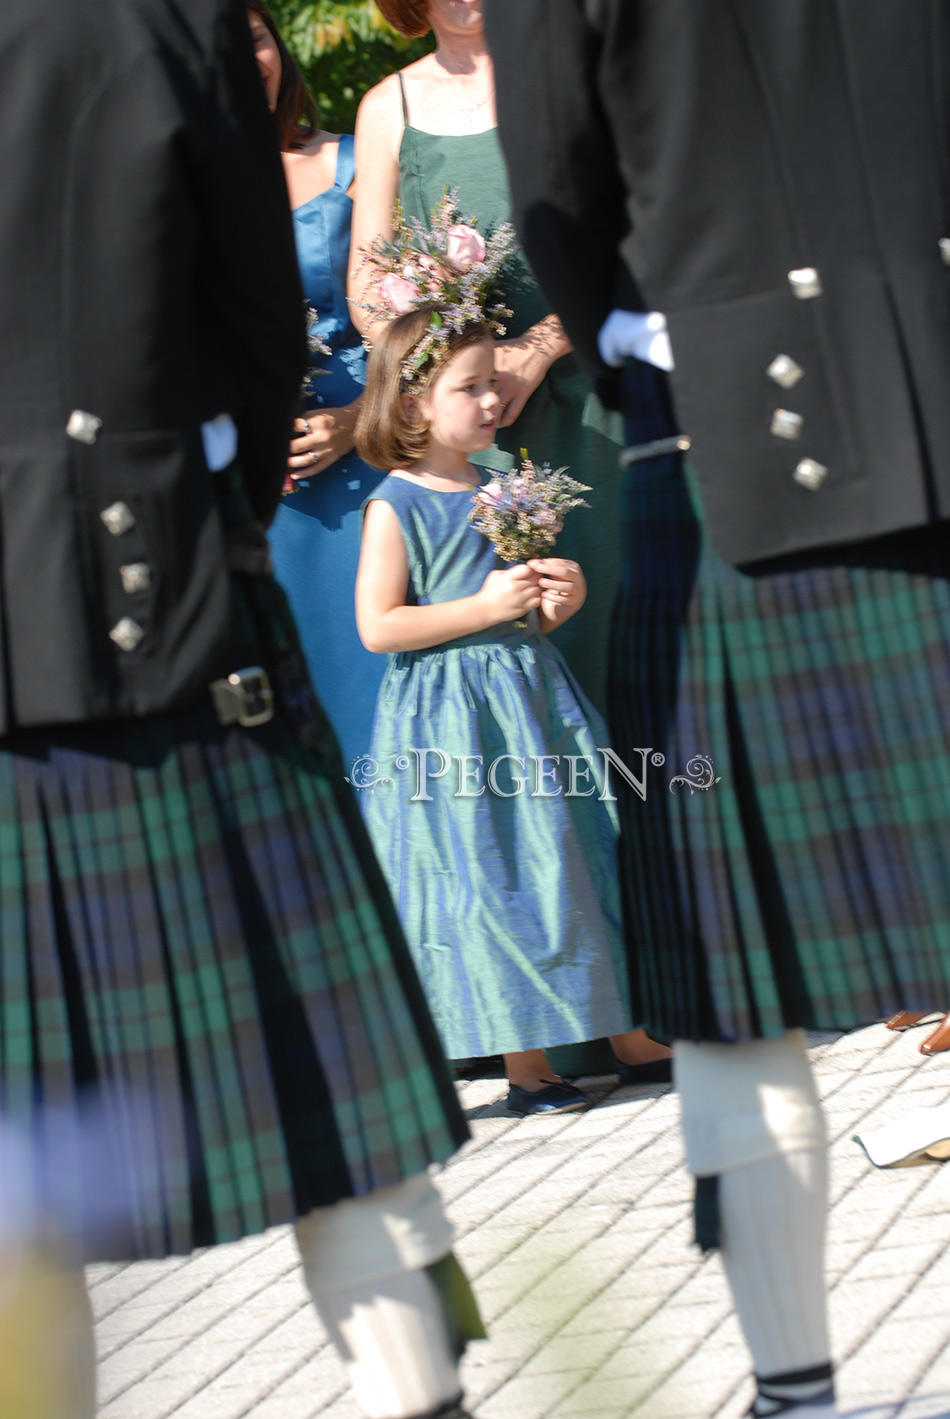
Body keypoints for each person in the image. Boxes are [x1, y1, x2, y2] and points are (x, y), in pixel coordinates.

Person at [2, 2, 480, 1416]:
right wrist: (210, 509)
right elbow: (257, 320)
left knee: (21, 1182)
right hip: (181, 605)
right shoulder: (158, 16)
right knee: (338, 1107)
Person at [484, 1, 950, 1415]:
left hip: (722, 435)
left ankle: (794, 1392)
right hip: (928, 386)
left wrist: (648, 337)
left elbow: (553, 172)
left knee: (735, 999)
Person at [352, 307, 671, 1115]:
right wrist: (487, 605)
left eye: (495, 381)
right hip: (451, 719)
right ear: (415, 401)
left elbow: (518, 615)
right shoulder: (397, 503)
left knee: (577, 848)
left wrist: (556, 599)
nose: (493, 399)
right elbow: (380, 625)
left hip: (532, 697)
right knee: (488, 870)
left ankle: (630, 1033)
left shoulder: (502, 487)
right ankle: (527, 1065)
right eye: (471, 387)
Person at [348, 0, 626, 719]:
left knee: (617, 619)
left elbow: (632, 236)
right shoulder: (388, 105)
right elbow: (368, 289)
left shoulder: (574, 73)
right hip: (471, 432)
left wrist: (537, 349)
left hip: (594, 400)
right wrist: (449, 374)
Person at [247, 2, 385, 770]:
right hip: (258, 490)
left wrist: (363, 418)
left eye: (258, 38)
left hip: (372, 459)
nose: (248, 58)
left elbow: (419, 325)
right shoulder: (172, 188)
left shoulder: (356, 160)